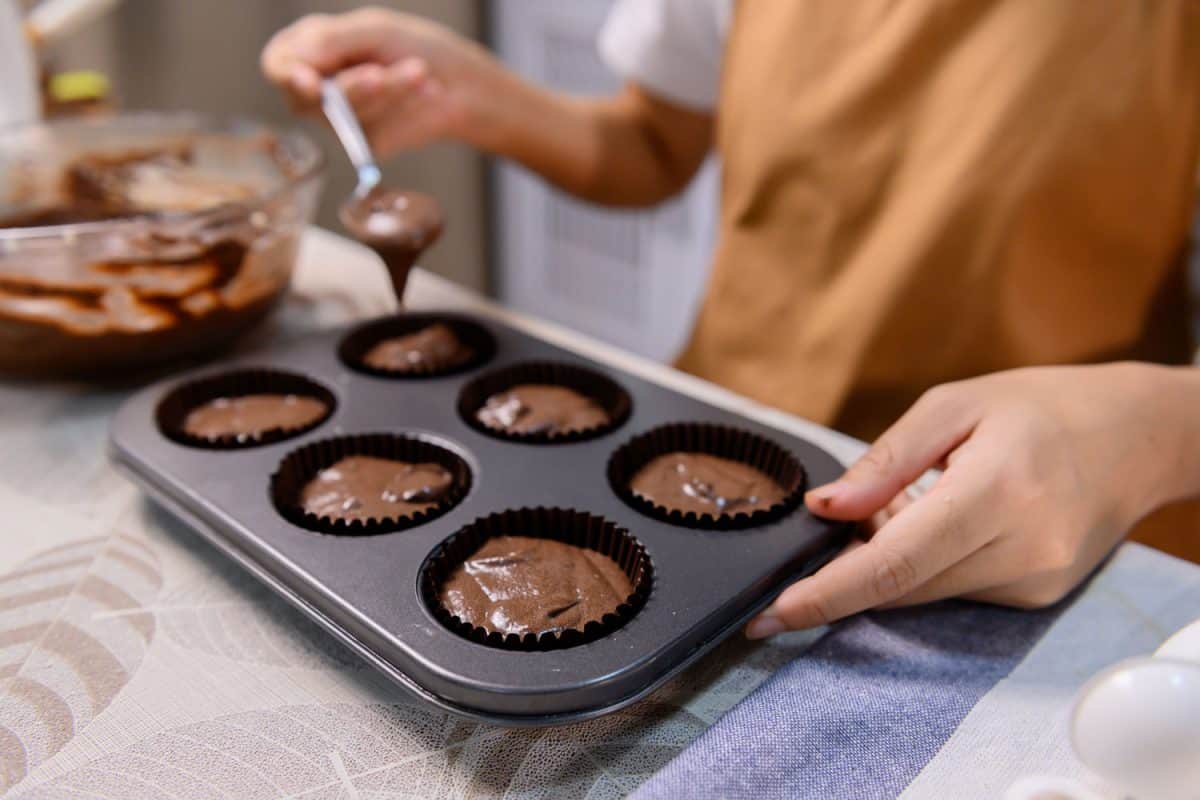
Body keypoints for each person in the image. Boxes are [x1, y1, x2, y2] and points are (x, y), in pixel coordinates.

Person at [261, 1, 1200, 639]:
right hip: (718, 447)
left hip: (1048, 521)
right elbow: (653, 144)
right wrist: (475, 95)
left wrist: (1155, 427)